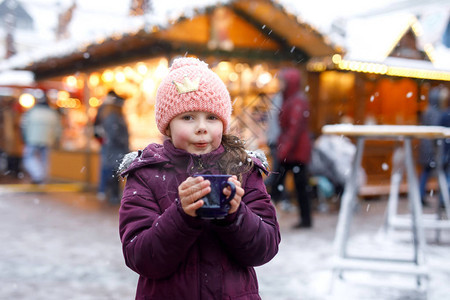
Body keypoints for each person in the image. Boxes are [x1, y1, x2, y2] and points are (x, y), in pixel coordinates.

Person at [118, 57, 280, 299]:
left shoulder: (243, 170)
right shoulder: (146, 174)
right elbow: (140, 256)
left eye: (212, 118)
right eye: (188, 117)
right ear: (167, 125)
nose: (202, 127)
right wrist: (181, 215)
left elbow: (265, 248)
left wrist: (235, 215)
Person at [270, 67, 312, 229]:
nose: (280, 84)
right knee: (286, 185)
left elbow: (294, 130)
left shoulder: (296, 101)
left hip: (296, 152)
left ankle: (304, 219)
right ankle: (303, 219)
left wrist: (283, 150)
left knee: (291, 185)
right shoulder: (291, 99)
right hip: (293, 151)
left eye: (282, 81)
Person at [20, 91, 61, 184]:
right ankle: (42, 178)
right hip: (47, 140)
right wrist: (56, 139)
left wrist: (24, 137)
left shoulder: (31, 112)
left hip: (32, 139)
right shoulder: (53, 113)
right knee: (45, 160)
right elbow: (58, 129)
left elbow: (24, 125)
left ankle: (38, 175)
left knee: (29, 158)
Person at [96, 91, 129, 204]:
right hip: (115, 148)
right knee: (113, 171)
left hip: (114, 148)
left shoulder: (112, 115)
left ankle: (111, 193)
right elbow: (115, 134)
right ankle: (112, 194)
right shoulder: (114, 117)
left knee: (113, 170)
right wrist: (123, 142)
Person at [418, 87, 445, 206]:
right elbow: (436, 132)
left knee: (425, 173)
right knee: (434, 173)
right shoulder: (435, 112)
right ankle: (442, 199)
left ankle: (421, 196)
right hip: (432, 148)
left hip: (425, 147)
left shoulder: (427, 110)